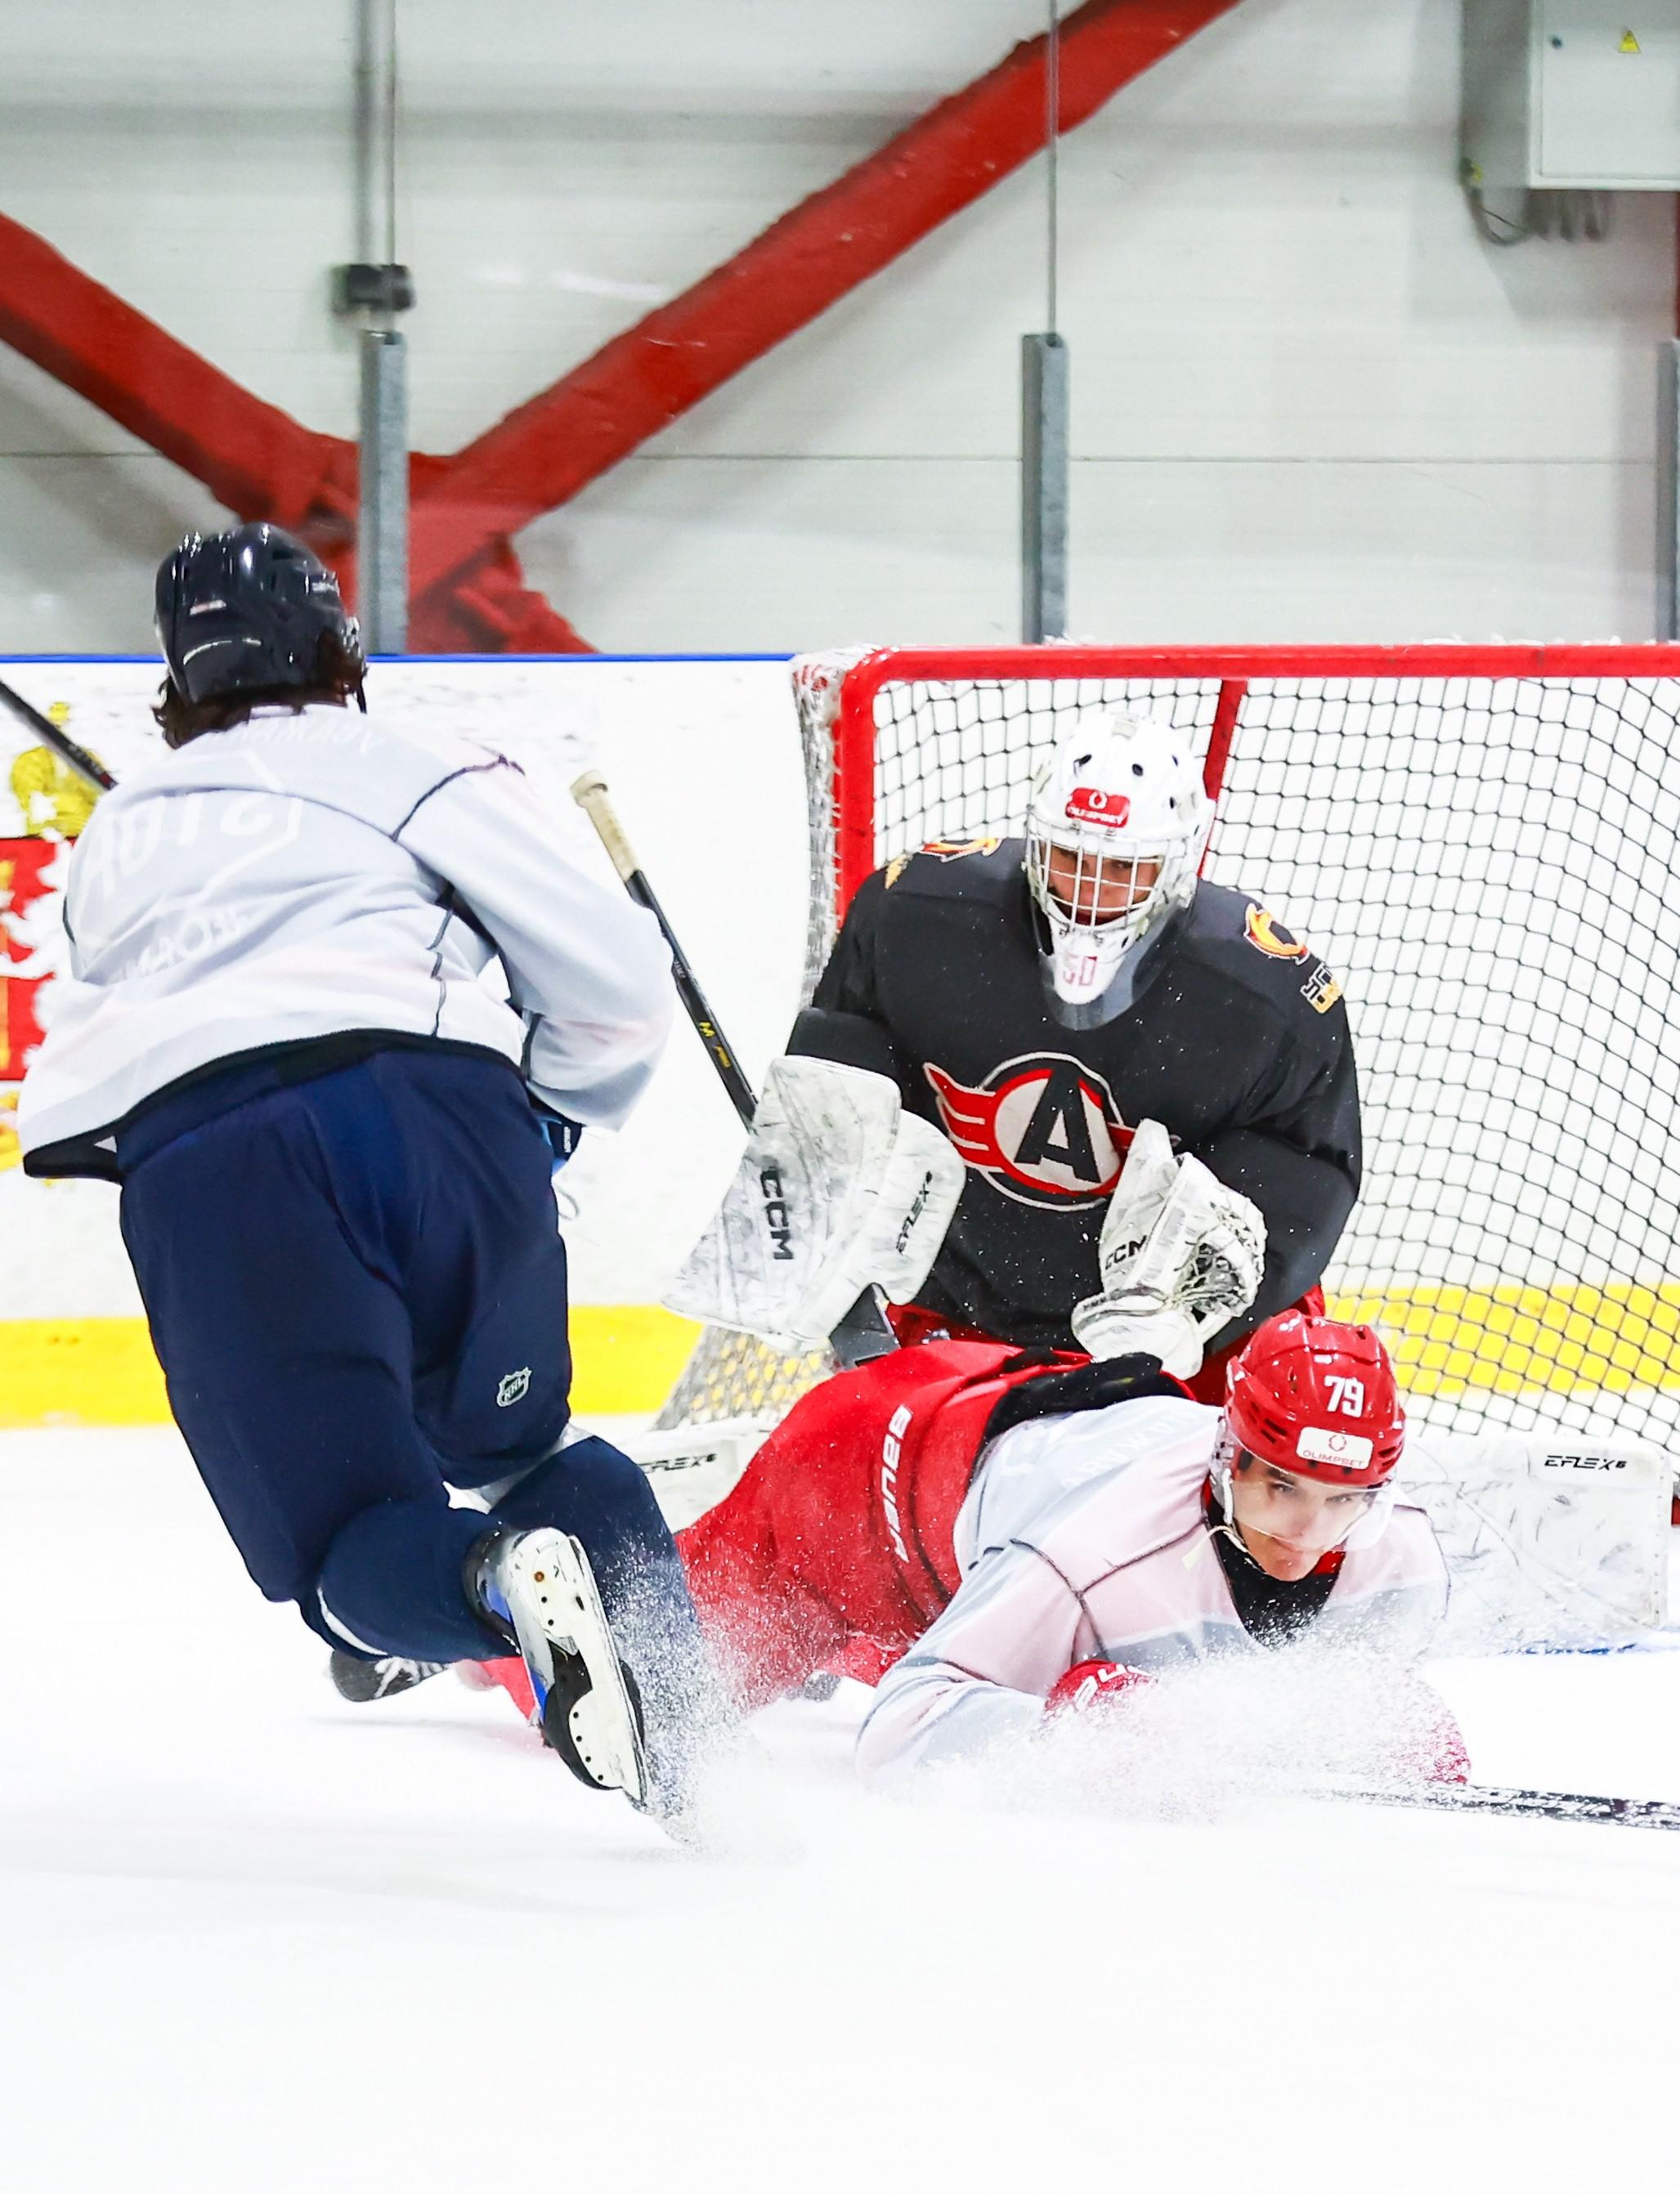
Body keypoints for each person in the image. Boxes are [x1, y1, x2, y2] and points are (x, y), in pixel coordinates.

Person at [16, 523, 710, 1825]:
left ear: (176, 684)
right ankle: (697, 1764)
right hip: (430, 1112)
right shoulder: (415, 761)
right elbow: (616, 988)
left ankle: (496, 1588)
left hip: (205, 1160)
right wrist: (543, 1122)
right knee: (524, 1443)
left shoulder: (114, 843)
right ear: (337, 643)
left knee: (348, 1550)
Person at [666, 704, 1362, 1404]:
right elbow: (843, 1084)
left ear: (1175, 861)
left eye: (1123, 865)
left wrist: (1191, 1316)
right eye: (1070, 856)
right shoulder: (918, 918)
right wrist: (817, 1208)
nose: (1090, 888)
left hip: (1169, 1340)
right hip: (962, 1302)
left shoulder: (1261, 995)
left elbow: (1303, 1175)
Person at [679, 1310, 1465, 1791]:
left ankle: (859, 1651)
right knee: (658, 1682)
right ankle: (844, 1642)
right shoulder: (1094, 1551)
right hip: (862, 1475)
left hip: (1013, 1454)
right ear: (1227, 1460)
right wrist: (1068, 1731)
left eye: (1344, 1502)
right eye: (1281, 1489)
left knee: (987, 1645)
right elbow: (899, 1732)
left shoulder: (1399, 1562)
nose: (1307, 1533)